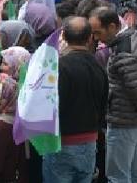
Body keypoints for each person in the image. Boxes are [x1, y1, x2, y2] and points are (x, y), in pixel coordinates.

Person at [88, 6, 137, 183]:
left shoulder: (122, 52)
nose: (96, 39)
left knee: (118, 176)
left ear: (113, 27)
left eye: (98, 33)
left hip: (124, 122)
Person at [43, 17, 107, 183]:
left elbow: (52, 107)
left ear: (63, 36)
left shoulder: (59, 67)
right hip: (89, 142)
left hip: (62, 143)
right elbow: (103, 106)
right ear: (90, 38)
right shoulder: (99, 67)